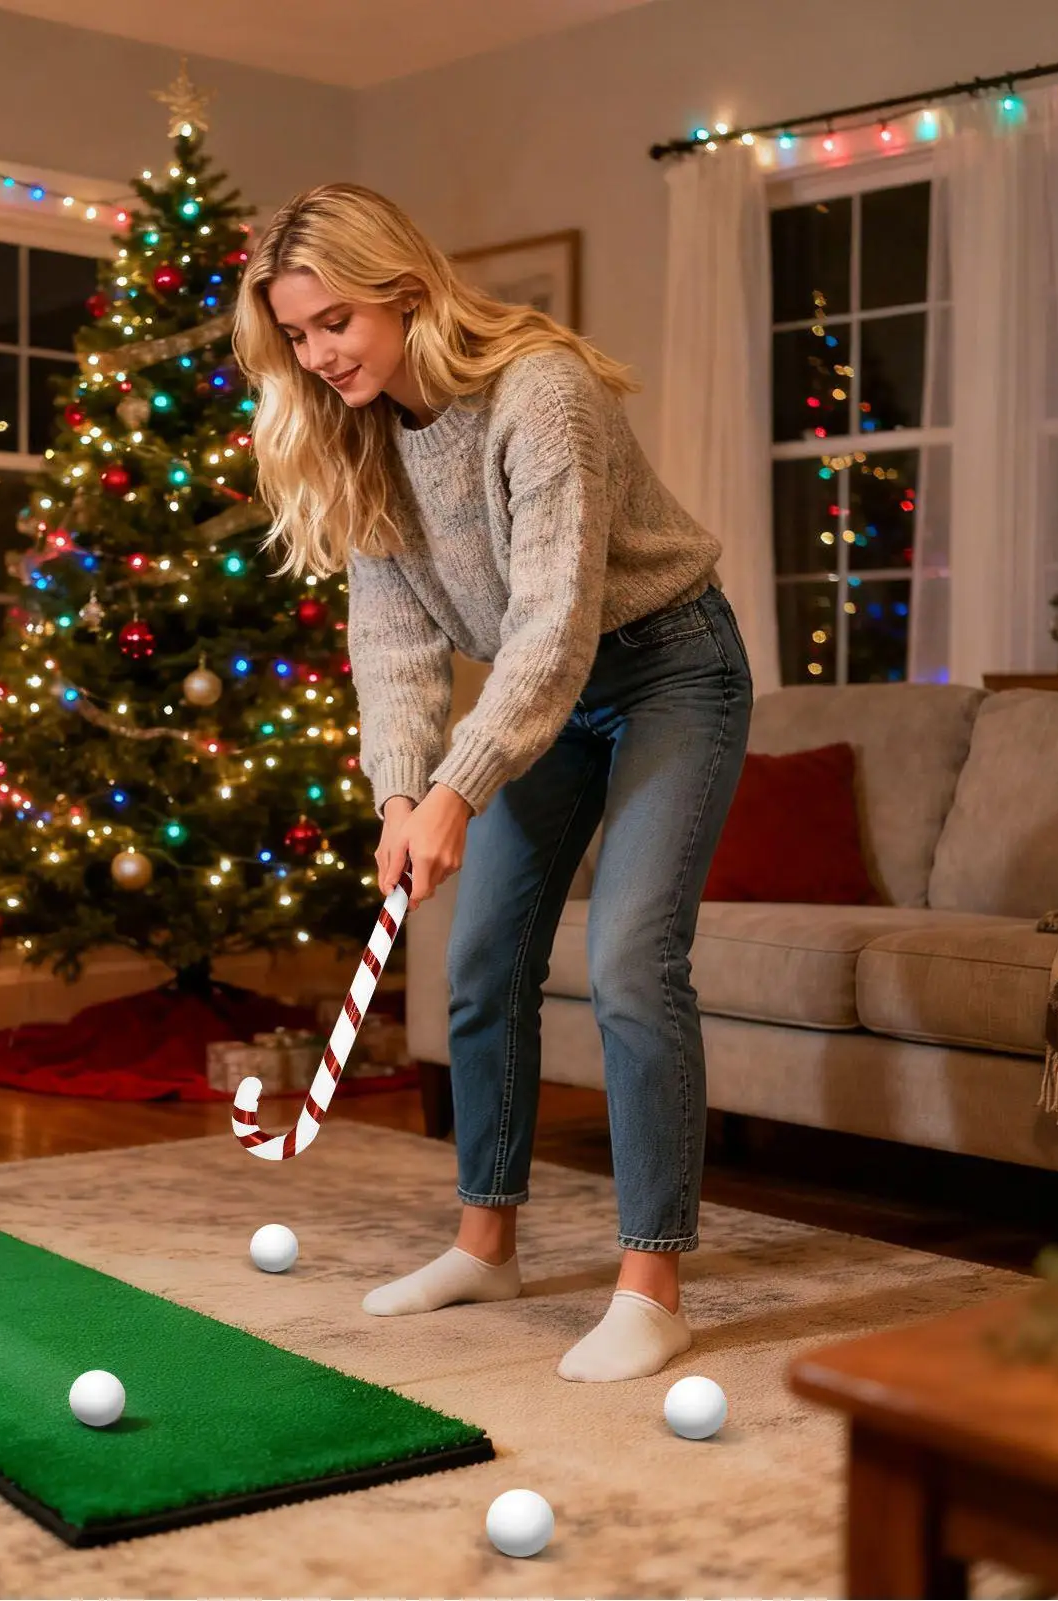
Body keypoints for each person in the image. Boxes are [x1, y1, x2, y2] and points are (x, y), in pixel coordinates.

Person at [232, 183, 751, 1382]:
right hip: (541, 702)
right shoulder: (357, 436)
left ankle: (650, 1281)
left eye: (336, 324)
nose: (318, 357)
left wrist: (462, 786)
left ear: (405, 289)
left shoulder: (539, 393)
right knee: (477, 962)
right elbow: (395, 641)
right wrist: (402, 795)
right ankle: (486, 1241)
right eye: (298, 337)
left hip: (668, 666)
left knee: (628, 958)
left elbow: (553, 623)